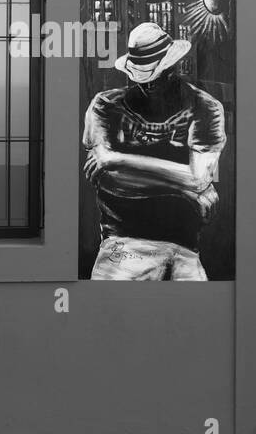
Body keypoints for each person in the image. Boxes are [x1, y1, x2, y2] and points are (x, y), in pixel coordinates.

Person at [81, 21, 226, 280]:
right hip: (123, 242)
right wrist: (188, 189)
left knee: (197, 317)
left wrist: (116, 160)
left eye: (155, 78)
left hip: (184, 246)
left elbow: (199, 177)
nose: (149, 86)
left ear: (175, 67)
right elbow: (110, 179)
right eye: (143, 80)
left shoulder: (206, 107)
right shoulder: (105, 105)